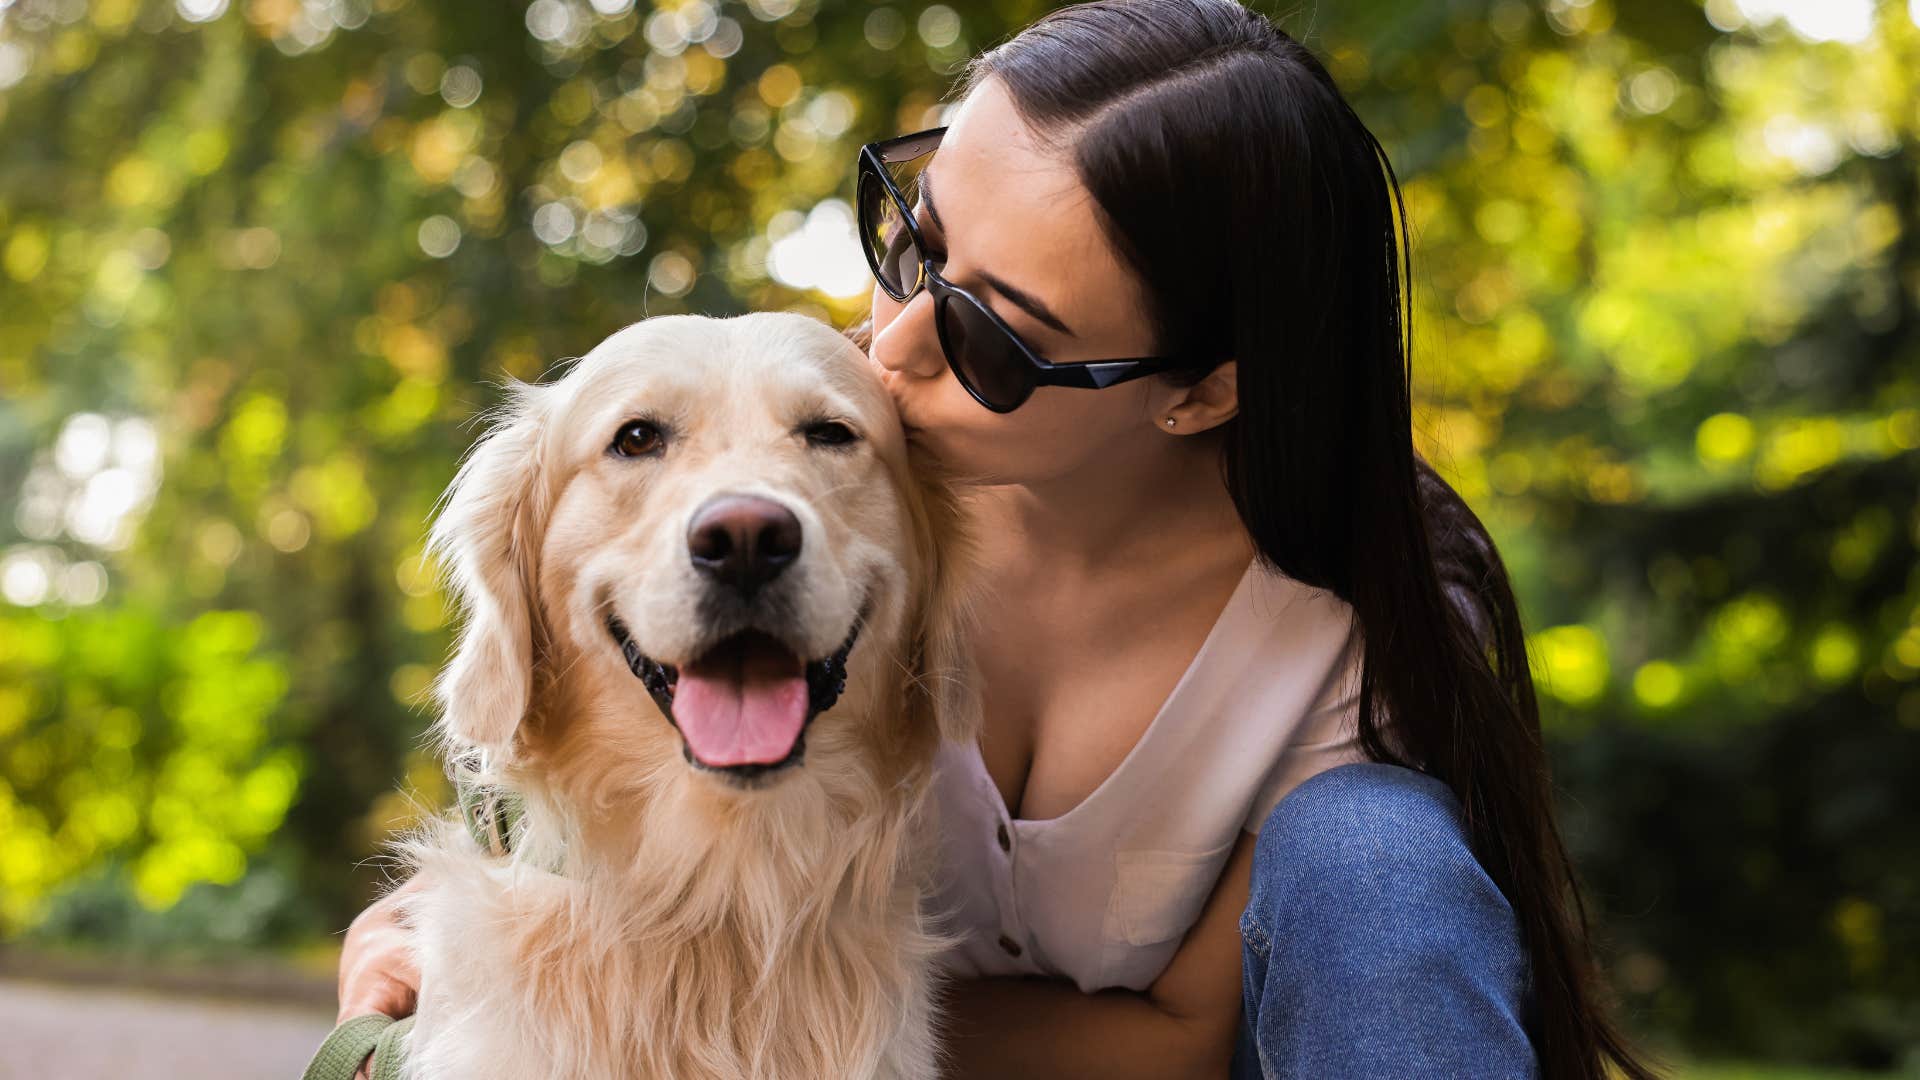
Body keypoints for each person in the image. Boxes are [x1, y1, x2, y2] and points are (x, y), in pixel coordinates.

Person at [337, 2, 1662, 1076]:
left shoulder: (1349, 626)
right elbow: (577, 787)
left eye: (993, 334)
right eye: (913, 245)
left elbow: (1184, 1043)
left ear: (1203, 387)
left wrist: (772, 1028)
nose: (892, 344)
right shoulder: (809, 467)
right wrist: (447, 956)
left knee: (1375, 849)